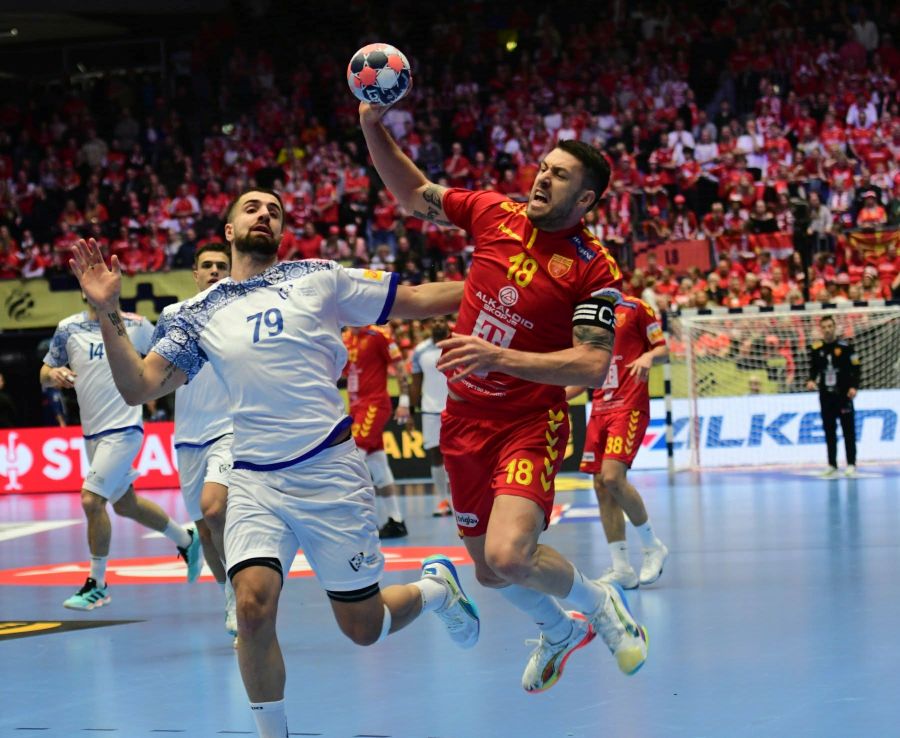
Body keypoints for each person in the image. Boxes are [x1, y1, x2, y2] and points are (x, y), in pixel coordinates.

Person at [69, 188, 478, 738]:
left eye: (275, 211)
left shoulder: (319, 277)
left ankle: (436, 590)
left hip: (328, 471)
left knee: (363, 626)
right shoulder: (194, 314)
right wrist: (107, 309)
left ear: (282, 232)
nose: (265, 214)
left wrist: (513, 290)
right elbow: (139, 386)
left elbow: (421, 297)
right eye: (252, 208)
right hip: (254, 479)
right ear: (229, 231)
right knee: (252, 608)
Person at [360, 103, 648, 695]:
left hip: (528, 421)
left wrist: (498, 358)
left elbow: (592, 365)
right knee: (490, 572)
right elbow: (413, 194)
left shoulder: (594, 270)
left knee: (511, 554)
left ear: (585, 199)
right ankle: (559, 631)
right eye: (543, 168)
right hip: (464, 421)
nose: (543, 178)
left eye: (559, 175)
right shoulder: (495, 212)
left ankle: (600, 603)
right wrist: (372, 126)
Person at [40, 298, 202, 611]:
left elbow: (169, 359)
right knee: (126, 504)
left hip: (125, 428)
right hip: (92, 434)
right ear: (83, 289)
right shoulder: (67, 328)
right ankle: (186, 539)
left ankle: (97, 584)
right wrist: (53, 375)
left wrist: (154, 389)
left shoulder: (136, 326)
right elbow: (44, 372)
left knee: (92, 500)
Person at [152, 241, 236, 642]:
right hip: (187, 436)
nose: (215, 270)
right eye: (208, 265)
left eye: (222, 264)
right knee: (204, 530)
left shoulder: (241, 311)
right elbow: (154, 369)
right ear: (196, 273)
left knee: (215, 509)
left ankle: (240, 596)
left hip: (229, 428)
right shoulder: (172, 315)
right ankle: (229, 596)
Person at [566, 297, 669, 590]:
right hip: (599, 408)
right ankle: (622, 567)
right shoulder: (582, 312)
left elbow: (663, 350)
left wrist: (648, 357)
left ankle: (652, 546)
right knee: (601, 485)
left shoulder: (635, 308)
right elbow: (587, 375)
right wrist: (552, 398)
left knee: (612, 476)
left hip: (628, 405)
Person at [343, 323, 412, 538]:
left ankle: (353, 521)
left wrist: (404, 401)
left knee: (352, 460)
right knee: (378, 463)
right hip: (355, 406)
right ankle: (396, 521)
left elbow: (399, 366)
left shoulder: (379, 334)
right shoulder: (345, 338)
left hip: (374, 404)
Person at [806, 315, 861, 477]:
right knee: (829, 431)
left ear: (835, 327)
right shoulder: (816, 348)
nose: (827, 330)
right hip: (826, 396)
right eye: (824, 327)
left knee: (848, 431)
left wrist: (854, 386)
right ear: (821, 329)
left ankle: (851, 464)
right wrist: (811, 380)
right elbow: (813, 369)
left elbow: (856, 368)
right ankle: (832, 464)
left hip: (843, 395)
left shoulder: (846, 347)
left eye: (830, 326)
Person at [410, 315, 453, 517]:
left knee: (459, 456)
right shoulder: (419, 351)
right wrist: (411, 411)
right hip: (430, 410)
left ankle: (460, 500)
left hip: (456, 409)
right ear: (429, 325)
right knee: (436, 455)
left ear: (447, 324)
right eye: (434, 321)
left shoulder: (457, 344)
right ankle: (442, 500)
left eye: (441, 321)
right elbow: (415, 382)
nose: (438, 324)